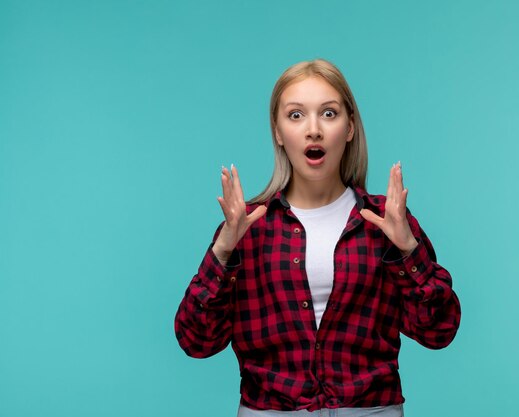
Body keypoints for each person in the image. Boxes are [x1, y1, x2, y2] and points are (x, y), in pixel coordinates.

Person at [174, 59, 461, 417]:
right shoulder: (248, 227)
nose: (313, 130)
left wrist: (408, 250)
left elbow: (439, 332)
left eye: (328, 113)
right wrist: (222, 251)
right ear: (278, 132)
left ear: (350, 127)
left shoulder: (386, 221)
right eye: (296, 115)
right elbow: (196, 341)